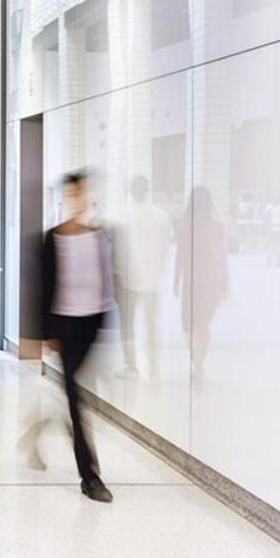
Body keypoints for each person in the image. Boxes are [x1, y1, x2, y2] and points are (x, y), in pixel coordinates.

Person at [41, 169, 114, 503]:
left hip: (90, 328)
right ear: (65, 198)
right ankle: (90, 476)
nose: (78, 199)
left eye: (83, 192)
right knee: (75, 399)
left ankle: (40, 429)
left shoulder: (98, 236)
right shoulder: (53, 237)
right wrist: (46, 333)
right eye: (73, 193)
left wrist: (104, 326)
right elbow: (44, 288)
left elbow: (105, 281)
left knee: (75, 398)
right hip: (65, 328)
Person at [111, 176, 173, 380]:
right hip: (152, 279)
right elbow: (166, 247)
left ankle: (132, 367)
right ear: (147, 190)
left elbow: (118, 251)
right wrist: (158, 269)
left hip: (128, 279)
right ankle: (154, 367)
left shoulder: (123, 217)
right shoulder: (161, 216)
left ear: (130, 191)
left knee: (127, 324)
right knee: (151, 323)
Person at [174, 186, 227, 382]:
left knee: (188, 325)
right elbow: (222, 259)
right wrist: (224, 284)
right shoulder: (216, 226)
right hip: (210, 279)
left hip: (191, 280)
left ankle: (197, 364)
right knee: (203, 324)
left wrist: (175, 281)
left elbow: (180, 255)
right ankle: (199, 364)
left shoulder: (183, 224)